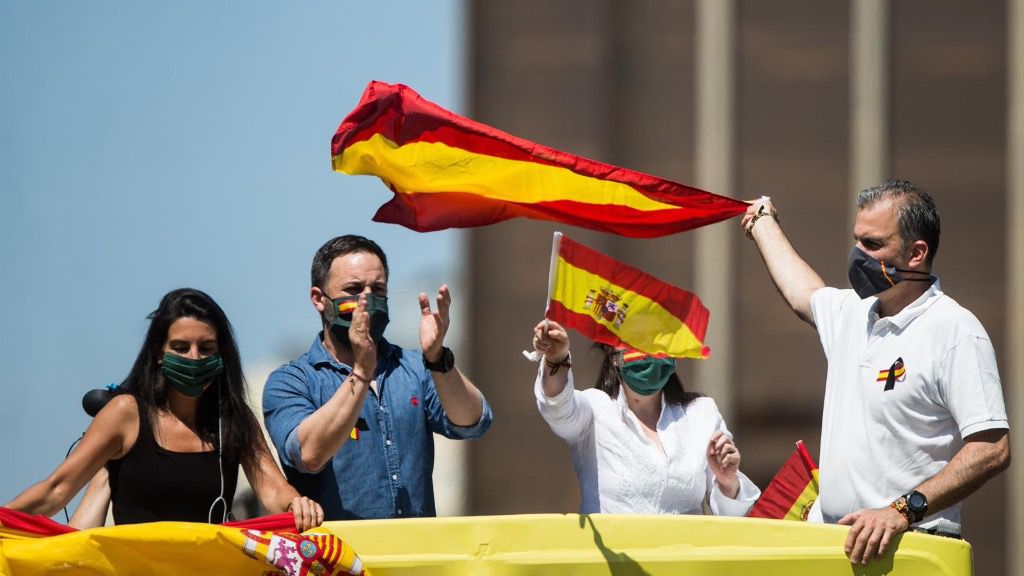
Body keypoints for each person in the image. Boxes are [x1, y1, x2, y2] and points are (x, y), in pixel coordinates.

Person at [741, 181, 1010, 564]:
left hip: (912, 547)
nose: (857, 255)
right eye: (857, 241)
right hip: (834, 546)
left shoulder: (954, 330)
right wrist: (763, 221)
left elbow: (992, 449)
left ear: (917, 253)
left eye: (873, 244)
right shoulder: (854, 311)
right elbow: (802, 292)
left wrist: (902, 510)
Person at [5, 288, 324, 531]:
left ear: (222, 354)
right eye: (181, 348)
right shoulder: (125, 414)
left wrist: (298, 505)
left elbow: (272, 489)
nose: (194, 358)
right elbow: (57, 489)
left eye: (207, 348)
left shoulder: (233, 419)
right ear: (159, 352)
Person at [262, 235, 492, 520]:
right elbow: (309, 454)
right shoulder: (293, 381)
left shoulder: (414, 368)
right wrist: (361, 372)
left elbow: (473, 422)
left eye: (378, 289)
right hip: (338, 558)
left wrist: (437, 359)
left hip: (413, 555)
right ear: (319, 300)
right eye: (354, 289)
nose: (367, 300)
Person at [530, 319, 760, 515]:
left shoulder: (701, 413)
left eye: (657, 343)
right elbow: (557, 406)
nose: (647, 355)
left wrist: (728, 482)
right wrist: (556, 359)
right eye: (635, 344)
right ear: (612, 355)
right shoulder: (594, 409)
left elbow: (733, 516)